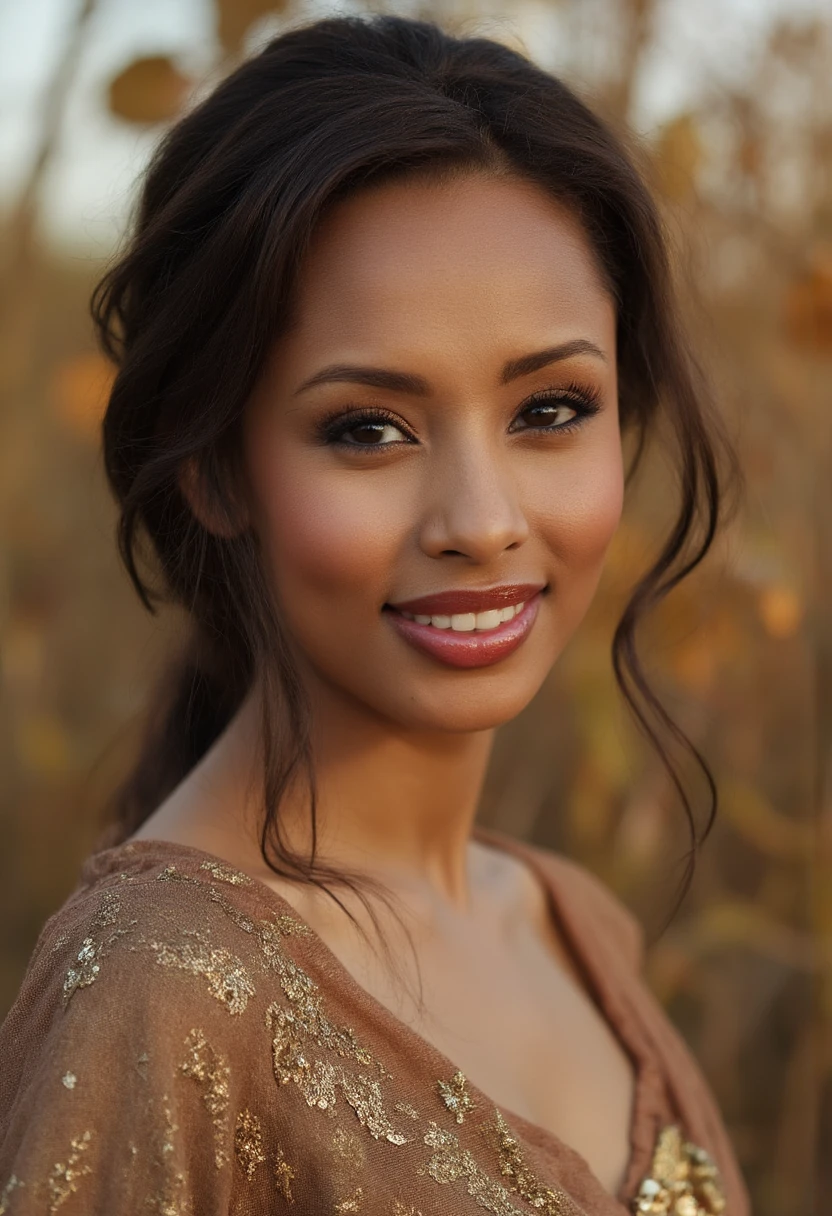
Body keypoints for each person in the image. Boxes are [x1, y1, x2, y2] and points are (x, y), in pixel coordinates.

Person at [0, 13, 749, 1216]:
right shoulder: (159, 996)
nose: (481, 518)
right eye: (368, 428)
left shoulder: (571, 922)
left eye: (551, 407)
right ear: (216, 467)